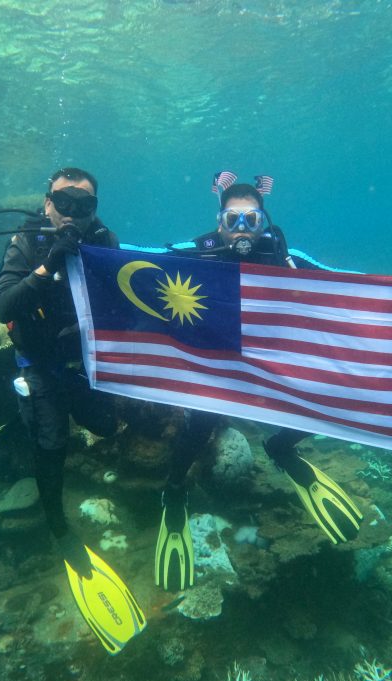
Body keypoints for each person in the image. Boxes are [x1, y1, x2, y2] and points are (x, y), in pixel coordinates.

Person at [155, 174, 364, 592]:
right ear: (219, 223)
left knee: (324, 399)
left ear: (264, 222)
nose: (242, 230)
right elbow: (139, 260)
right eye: (233, 220)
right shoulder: (199, 252)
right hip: (218, 361)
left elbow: (349, 283)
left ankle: (280, 448)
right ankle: (174, 490)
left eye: (252, 220)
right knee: (200, 423)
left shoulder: (285, 255)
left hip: (272, 362)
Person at [0, 168, 145, 654]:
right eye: (65, 201)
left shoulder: (103, 239)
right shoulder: (27, 240)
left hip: (82, 361)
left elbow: (126, 297)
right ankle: (58, 525)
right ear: (47, 203)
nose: (74, 213)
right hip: (39, 360)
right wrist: (48, 265)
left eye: (85, 204)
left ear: (95, 208)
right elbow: (3, 305)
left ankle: (40, 417)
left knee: (102, 424)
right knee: (52, 440)